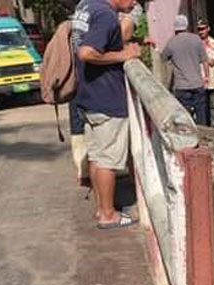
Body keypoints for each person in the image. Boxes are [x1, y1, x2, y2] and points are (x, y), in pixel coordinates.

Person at [72, 0, 141, 229]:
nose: (134, 3)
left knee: (96, 156)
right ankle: (108, 214)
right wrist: (124, 56)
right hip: (106, 98)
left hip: (89, 96)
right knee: (108, 161)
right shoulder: (105, 14)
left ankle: (101, 208)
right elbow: (87, 52)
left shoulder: (86, 6)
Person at [161, 15, 209, 126]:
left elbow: (163, 58)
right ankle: (204, 136)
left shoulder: (172, 42)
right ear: (187, 26)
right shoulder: (196, 39)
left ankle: (188, 139)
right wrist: (206, 77)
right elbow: (204, 60)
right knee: (201, 112)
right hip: (197, 84)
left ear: (175, 28)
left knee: (185, 117)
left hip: (182, 86)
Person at [196, 19, 214, 127]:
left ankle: (213, 126)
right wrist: (206, 60)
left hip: (212, 80)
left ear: (208, 29)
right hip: (200, 80)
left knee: (213, 105)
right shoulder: (196, 44)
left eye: (203, 29)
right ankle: (204, 126)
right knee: (202, 105)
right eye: (199, 29)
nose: (201, 32)